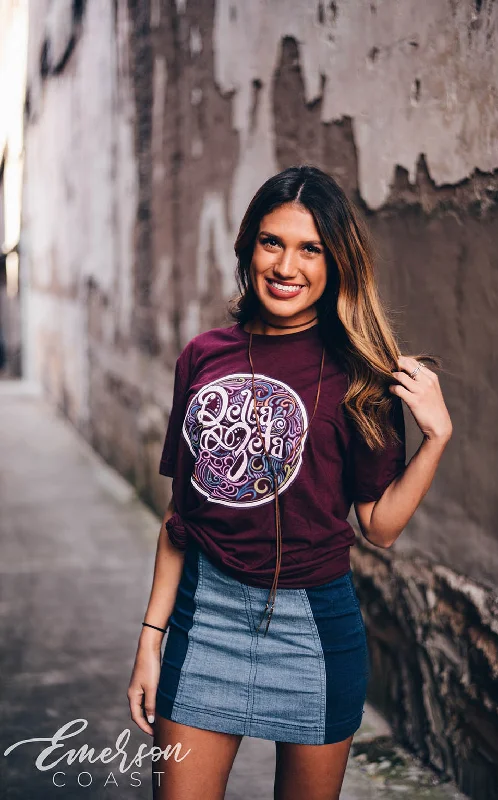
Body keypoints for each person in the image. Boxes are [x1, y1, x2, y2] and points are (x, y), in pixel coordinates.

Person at [127, 165, 453, 800]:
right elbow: (181, 516)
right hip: (205, 621)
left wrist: (436, 437)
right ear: (249, 247)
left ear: (337, 263)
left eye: (312, 249)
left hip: (314, 632)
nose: (287, 266)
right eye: (272, 242)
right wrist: (150, 638)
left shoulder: (359, 374)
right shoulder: (202, 357)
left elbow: (379, 527)